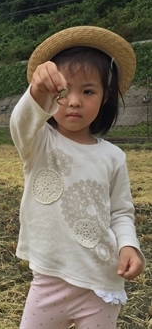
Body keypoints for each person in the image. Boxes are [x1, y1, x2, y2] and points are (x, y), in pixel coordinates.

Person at [10, 26, 145, 329]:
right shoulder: (39, 142)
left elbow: (121, 212)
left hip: (100, 285)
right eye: (62, 91)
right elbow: (21, 121)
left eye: (88, 91)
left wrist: (128, 245)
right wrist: (37, 90)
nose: (73, 101)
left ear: (104, 97)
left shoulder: (113, 157)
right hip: (48, 281)